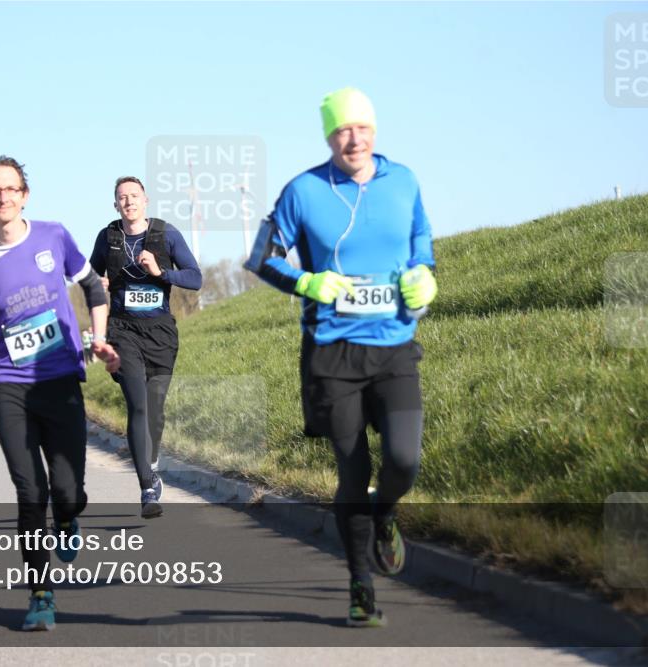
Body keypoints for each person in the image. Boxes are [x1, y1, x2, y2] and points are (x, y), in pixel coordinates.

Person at [244, 87, 437, 627]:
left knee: (404, 460)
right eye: (342, 131)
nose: (354, 139)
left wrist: (425, 275)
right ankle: (360, 585)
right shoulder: (304, 191)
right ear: (329, 137)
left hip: (395, 346)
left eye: (362, 128)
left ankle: (386, 512)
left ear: (375, 131)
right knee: (352, 473)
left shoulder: (405, 181)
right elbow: (261, 257)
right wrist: (307, 280)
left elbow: (421, 238)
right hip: (333, 355)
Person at [0, 155, 119, 631]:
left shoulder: (53, 236)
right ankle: (41, 594)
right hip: (8, 383)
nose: (2, 197)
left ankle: (68, 519)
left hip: (60, 375)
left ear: (25, 195)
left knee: (68, 493)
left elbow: (93, 287)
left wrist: (99, 336)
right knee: (30, 491)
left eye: (10, 189)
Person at [89, 176, 202, 518]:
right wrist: (98, 283)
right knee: (137, 404)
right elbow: (86, 279)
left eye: (134, 196)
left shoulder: (166, 234)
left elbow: (195, 279)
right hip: (123, 331)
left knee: (154, 407)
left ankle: (150, 460)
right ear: (115, 205)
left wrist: (161, 272)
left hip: (161, 333)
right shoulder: (107, 238)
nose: (128, 202)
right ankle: (147, 488)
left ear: (145, 200)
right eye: (122, 197)